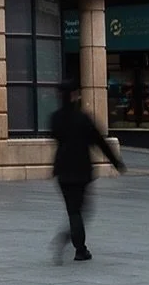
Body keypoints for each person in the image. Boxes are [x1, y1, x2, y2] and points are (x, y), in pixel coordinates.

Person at [49, 77, 125, 263]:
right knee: (81, 211)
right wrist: (116, 162)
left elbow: (57, 137)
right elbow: (99, 141)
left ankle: (77, 245)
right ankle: (78, 248)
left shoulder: (55, 118)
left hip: (62, 170)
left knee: (73, 210)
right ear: (74, 96)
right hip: (81, 170)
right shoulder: (82, 119)